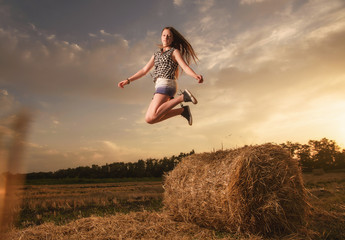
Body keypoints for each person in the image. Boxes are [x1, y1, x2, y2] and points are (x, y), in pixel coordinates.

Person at [118, 26, 203, 125]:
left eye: (169, 36)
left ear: (172, 39)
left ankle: (183, 97)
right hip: (159, 85)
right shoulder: (156, 54)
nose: (166, 38)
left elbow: (184, 67)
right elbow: (144, 70)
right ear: (161, 37)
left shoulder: (174, 52)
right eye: (164, 35)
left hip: (167, 84)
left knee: (152, 116)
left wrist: (195, 75)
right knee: (150, 119)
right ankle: (182, 111)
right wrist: (128, 80)